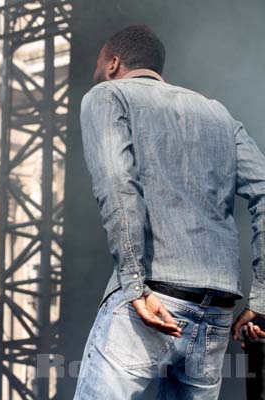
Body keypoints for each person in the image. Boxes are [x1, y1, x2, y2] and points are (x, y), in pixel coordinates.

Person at [74, 25, 265, 399]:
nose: (96, 75)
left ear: (113, 63)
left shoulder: (108, 96)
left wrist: (133, 283)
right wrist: (261, 298)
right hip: (215, 311)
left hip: (152, 296)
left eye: (98, 67)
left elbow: (116, 182)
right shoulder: (218, 115)